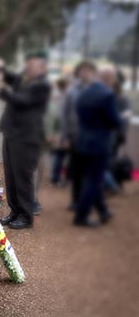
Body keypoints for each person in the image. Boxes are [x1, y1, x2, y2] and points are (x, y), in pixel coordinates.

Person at [0, 52, 52, 229]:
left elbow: (21, 101)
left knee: (23, 177)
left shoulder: (41, 85)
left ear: (42, 68)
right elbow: (8, 75)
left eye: (32, 66)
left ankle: (26, 215)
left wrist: (1, 88)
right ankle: (15, 211)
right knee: (11, 175)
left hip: (26, 137)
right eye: (28, 65)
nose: (28, 68)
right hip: (11, 133)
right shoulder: (23, 80)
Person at [73, 62, 122, 226]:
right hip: (99, 144)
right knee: (94, 181)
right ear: (109, 78)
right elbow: (115, 121)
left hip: (82, 142)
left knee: (92, 178)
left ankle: (103, 211)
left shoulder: (85, 92)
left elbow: (80, 115)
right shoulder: (107, 95)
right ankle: (81, 216)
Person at [61, 62, 87, 210]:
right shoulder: (72, 92)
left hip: (91, 138)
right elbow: (64, 114)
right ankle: (77, 201)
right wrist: (65, 137)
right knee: (77, 171)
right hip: (76, 137)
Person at [47, 77, 70, 185]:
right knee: (61, 157)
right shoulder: (64, 98)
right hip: (62, 132)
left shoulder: (55, 98)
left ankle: (55, 177)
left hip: (57, 132)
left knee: (56, 156)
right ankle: (57, 178)